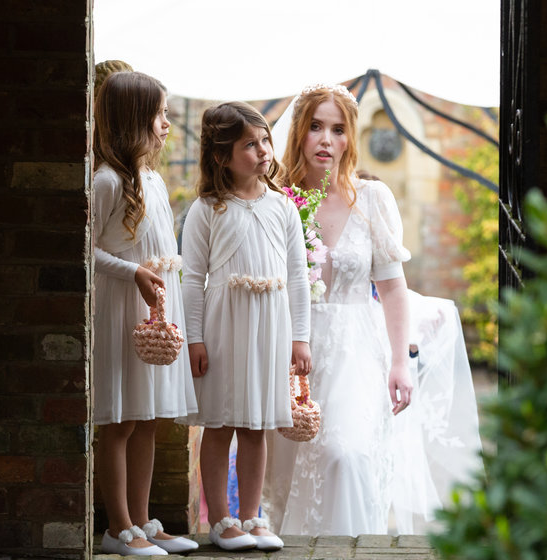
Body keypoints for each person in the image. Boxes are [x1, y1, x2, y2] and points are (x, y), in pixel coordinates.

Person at [263, 84, 484, 537]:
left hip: (355, 351)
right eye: (316, 127)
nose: (327, 139)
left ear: (350, 138)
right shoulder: (275, 200)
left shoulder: (371, 200)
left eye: (338, 129)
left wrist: (400, 361)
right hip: (288, 352)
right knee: (292, 480)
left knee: (348, 457)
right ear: (299, 134)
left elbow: (394, 288)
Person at [180, 102, 312, 552]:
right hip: (223, 326)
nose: (263, 151)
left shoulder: (283, 208)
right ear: (221, 156)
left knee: (257, 426)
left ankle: (254, 516)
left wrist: (300, 338)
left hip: (269, 326)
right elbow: (193, 277)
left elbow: (297, 276)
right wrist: (194, 337)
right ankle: (221, 520)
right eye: (249, 144)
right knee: (219, 423)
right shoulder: (207, 209)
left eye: (265, 141)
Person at [91, 71, 199, 556]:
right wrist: (132, 272)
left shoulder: (151, 178)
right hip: (120, 310)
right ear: (135, 120)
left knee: (147, 417)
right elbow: (85, 252)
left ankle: (142, 520)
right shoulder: (106, 181)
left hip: (153, 309)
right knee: (119, 421)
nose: (167, 125)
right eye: (160, 115)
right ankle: (117, 528)